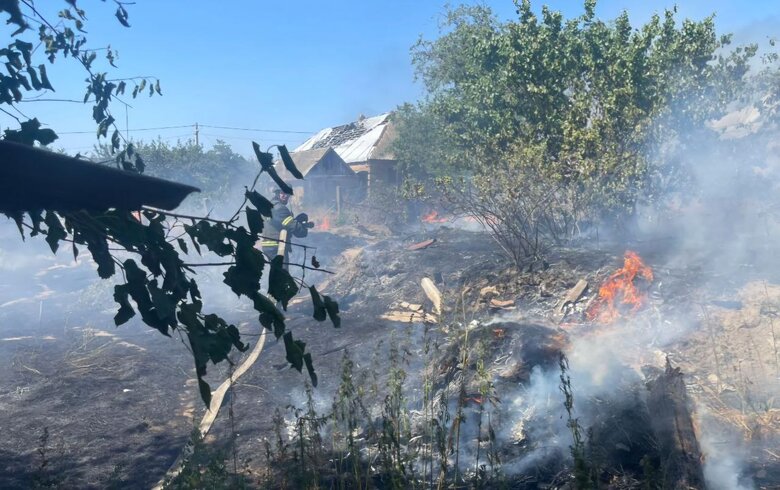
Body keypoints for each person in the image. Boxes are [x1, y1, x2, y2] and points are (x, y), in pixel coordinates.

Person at [260, 188, 314, 268]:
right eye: (282, 193)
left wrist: (298, 222)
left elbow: (282, 223)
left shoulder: (270, 205)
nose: (285, 196)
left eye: (287, 194)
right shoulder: (280, 208)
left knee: (276, 272)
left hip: (269, 245)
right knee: (283, 274)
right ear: (277, 193)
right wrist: (302, 229)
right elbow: (293, 227)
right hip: (276, 246)